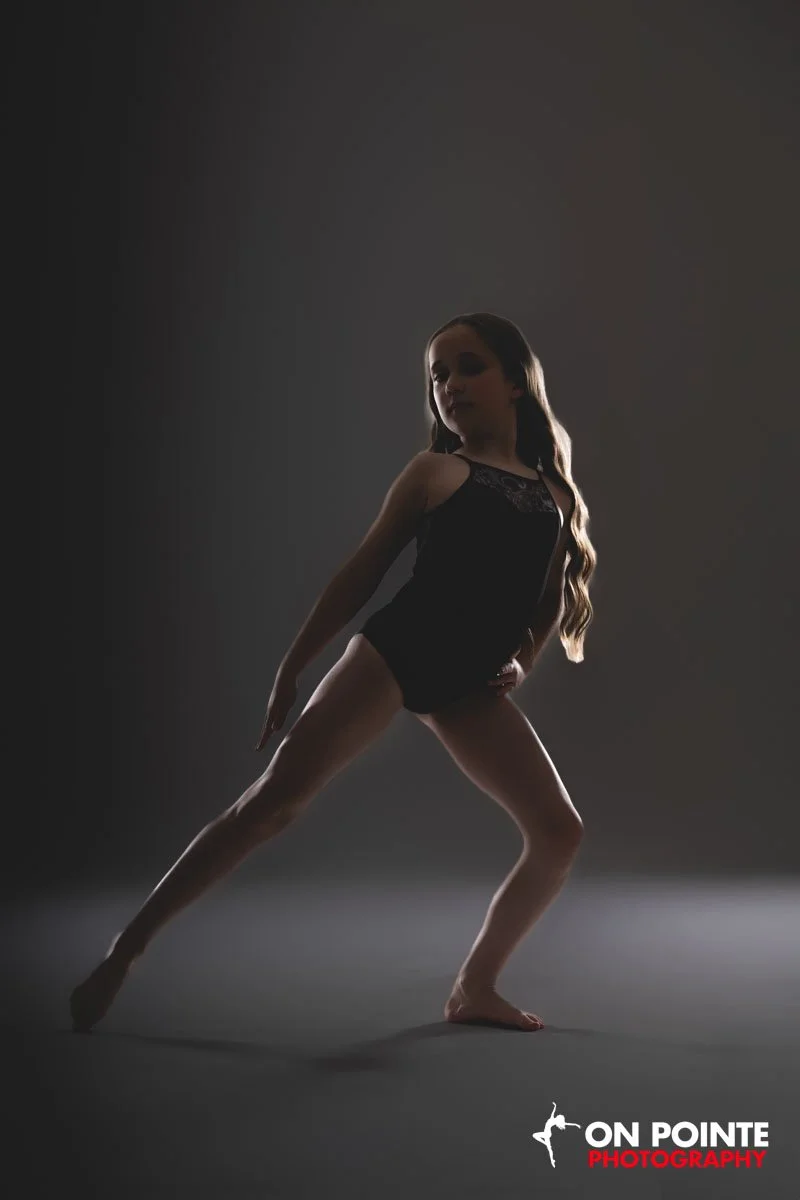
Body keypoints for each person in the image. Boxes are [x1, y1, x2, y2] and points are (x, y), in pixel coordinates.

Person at [69, 311, 597, 1035]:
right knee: (272, 807)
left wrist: (521, 660)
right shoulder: (436, 472)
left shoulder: (554, 497)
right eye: (437, 374)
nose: (448, 385)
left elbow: (543, 603)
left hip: (469, 683)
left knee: (559, 833)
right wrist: (293, 667)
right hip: (395, 652)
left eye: (467, 366)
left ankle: (474, 988)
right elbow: (360, 575)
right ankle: (121, 954)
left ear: (514, 380)